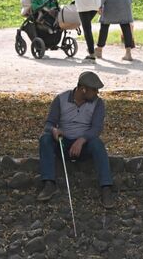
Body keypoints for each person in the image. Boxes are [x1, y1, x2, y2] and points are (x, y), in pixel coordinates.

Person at [37, 71, 114, 209]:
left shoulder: (98, 104)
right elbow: (49, 124)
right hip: (63, 142)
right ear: (83, 89)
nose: (97, 93)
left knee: (98, 144)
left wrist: (82, 139)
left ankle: (106, 187)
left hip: (84, 145)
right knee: (45, 139)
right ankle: (49, 183)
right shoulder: (61, 99)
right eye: (94, 90)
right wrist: (54, 130)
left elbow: (96, 129)